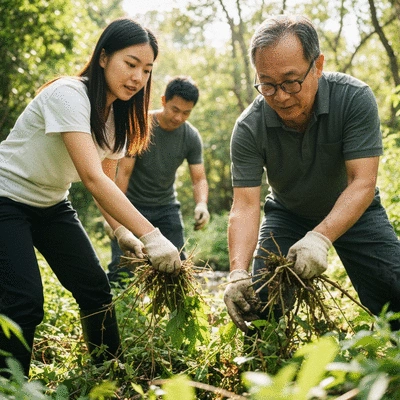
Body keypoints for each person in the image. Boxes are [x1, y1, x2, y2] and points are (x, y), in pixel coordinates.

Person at [0, 18, 182, 379]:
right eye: (130, 64)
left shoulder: (120, 117)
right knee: (24, 300)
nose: (137, 78)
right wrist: (152, 235)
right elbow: (92, 178)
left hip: (51, 205)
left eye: (146, 70)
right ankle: (11, 387)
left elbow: (108, 184)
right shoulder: (69, 94)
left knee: (96, 290)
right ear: (103, 58)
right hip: (5, 199)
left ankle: (108, 375)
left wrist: (121, 232)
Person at [224, 14, 400, 334]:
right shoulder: (249, 127)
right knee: (261, 308)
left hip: (355, 210)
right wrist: (237, 272)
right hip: (288, 214)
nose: (280, 95)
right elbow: (245, 206)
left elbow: (362, 181)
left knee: (394, 294)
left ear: (317, 66)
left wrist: (320, 237)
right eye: (267, 84)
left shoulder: (354, 98)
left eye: (291, 81)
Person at [106, 76, 209, 283]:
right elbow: (123, 173)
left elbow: (199, 179)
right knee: (122, 271)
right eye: (175, 109)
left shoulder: (191, 136)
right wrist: (114, 217)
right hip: (132, 206)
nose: (179, 117)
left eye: (186, 112)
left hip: (166, 207)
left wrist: (202, 204)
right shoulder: (141, 126)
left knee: (177, 269)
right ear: (163, 100)